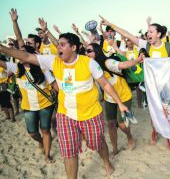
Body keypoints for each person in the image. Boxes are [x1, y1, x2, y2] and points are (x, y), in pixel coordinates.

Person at [0, 29, 128, 178]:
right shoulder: (53, 61)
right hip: (65, 115)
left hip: (90, 114)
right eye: (58, 45)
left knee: (97, 143)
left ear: (73, 48)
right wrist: (1, 48)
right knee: (69, 151)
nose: (58, 47)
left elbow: (105, 84)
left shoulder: (89, 63)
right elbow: (27, 56)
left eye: (62, 45)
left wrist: (120, 103)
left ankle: (106, 162)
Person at [99, 15, 170, 149]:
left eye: (151, 31)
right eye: (148, 32)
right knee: (154, 112)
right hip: (150, 85)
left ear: (159, 34)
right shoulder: (146, 45)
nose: (148, 33)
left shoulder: (169, 47)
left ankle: (168, 135)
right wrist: (111, 24)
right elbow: (126, 33)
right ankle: (155, 131)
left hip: (166, 85)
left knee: (167, 111)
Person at [0, 45, 55, 162]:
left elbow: (54, 85)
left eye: (23, 52)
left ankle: (47, 154)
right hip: (28, 107)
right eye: (18, 52)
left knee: (45, 130)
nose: (19, 54)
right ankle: (40, 141)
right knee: (32, 133)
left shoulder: (42, 68)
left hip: (45, 105)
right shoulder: (16, 68)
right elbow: (2, 63)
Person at [85, 42, 141, 156]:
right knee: (111, 124)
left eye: (89, 51)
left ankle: (130, 137)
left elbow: (123, 65)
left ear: (97, 52)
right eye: (86, 51)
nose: (86, 53)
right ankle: (115, 148)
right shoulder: (90, 67)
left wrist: (137, 60)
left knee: (121, 124)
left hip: (123, 96)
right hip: (109, 98)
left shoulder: (107, 62)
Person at [0, 54, 15, 122]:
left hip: (4, 85)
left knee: (7, 102)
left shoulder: (5, 66)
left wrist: (8, 78)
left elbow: (11, 73)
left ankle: (12, 118)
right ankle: (7, 116)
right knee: (2, 104)